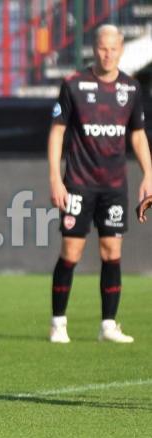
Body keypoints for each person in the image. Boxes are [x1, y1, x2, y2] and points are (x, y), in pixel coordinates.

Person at [47, 24, 152, 344]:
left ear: (121, 49)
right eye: (102, 48)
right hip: (78, 182)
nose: (108, 54)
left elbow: (137, 135)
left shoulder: (131, 89)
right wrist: (55, 177)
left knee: (112, 251)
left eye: (113, 49)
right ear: (95, 49)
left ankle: (108, 324)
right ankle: (58, 323)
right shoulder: (74, 85)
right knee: (72, 251)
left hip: (114, 186)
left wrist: (149, 174)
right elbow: (57, 132)